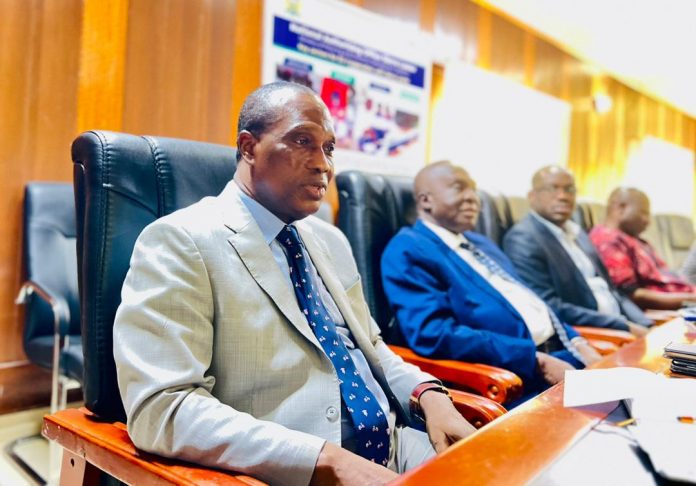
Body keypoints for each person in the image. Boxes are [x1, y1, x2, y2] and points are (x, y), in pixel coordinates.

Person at [113, 82, 474, 486]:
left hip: (397, 446)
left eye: (329, 148)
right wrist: (326, 460)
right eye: (303, 141)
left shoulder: (331, 241)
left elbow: (371, 347)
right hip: (294, 470)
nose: (323, 164)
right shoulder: (181, 240)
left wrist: (428, 394)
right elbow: (163, 407)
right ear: (249, 147)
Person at [381, 161, 600, 402]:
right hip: (514, 379)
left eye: (473, 189)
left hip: (563, 354)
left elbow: (531, 301)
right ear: (426, 201)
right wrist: (534, 360)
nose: (472, 198)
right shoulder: (408, 249)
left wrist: (578, 341)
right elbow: (434, 334)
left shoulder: (481, 243)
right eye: (459, 188)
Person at [502, 166, 652, 336]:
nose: (563, 196)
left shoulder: (578, 234)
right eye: (552, 188)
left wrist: (646, 325)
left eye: (569, 190)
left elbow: (613, 291)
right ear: (532, 196)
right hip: (591, 334)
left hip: (624, 326)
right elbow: (548, 306)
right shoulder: (523, 239)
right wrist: (623, 326)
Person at [589, 187, 696, 310]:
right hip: (669, 312)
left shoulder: (635, 240)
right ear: (621, 208)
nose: (648, 221)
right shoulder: (608, 240)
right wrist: (691, 300)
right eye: (643, 213)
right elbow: (630, 295)